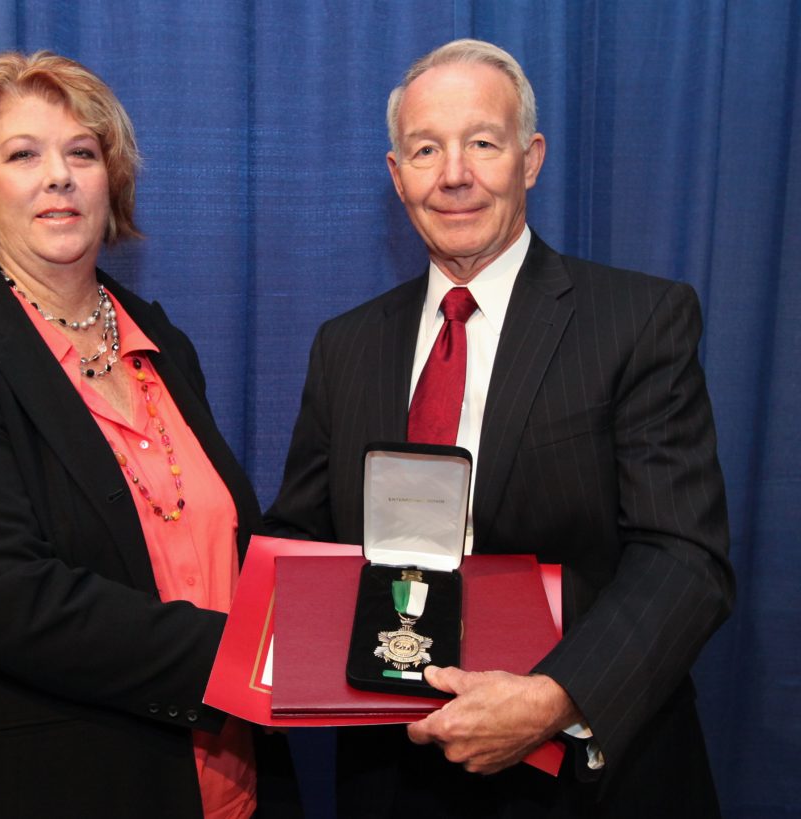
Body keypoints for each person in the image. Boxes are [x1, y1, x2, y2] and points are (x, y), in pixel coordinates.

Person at [265, 39, 734, 817]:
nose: (454, 173)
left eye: (482, 142)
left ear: (531, 158)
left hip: (586, 780)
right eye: (426, 149)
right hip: (391, 777)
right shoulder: (344, 345)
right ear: (396, 174)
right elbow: (303, 539)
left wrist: (555, 698)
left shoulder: (638, 320)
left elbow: (684, 558)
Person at [0, 51, 293, 819]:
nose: (58, 176)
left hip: (224, 785)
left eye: (82, 153)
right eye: (23, 154)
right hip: (37, 785)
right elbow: (6, 599)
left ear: (111, 181)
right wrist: (254, 655)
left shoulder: (162, 344)